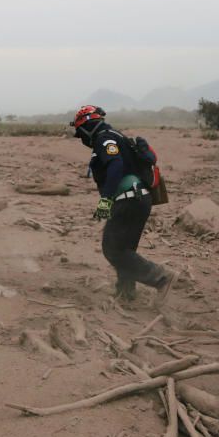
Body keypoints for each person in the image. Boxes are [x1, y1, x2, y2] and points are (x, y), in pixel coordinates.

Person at [70, 105, 175, 304]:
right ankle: (126, 294)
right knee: (124, 249)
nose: (80, 137)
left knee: (112, 249)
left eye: (80, 131)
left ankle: (161, 277)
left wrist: (106, 200)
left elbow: (116, 164)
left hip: (129, 199)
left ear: (87, 127)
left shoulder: (104, 138)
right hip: (139, 199)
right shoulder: (115, 135)